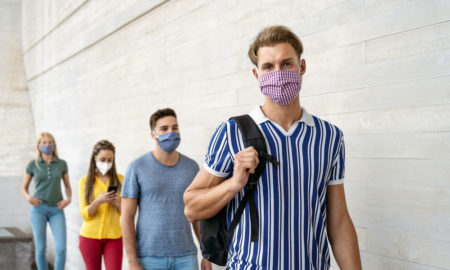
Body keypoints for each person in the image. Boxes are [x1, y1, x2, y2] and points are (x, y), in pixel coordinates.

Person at [183, 25, 362, 269]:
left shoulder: (330, 137)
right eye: (268, 67)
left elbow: (339, 221)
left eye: (287, 63)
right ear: (257, 75)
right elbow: (191, 207)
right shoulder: (231, 131)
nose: (278, 73)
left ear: (302, 67)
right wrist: (233, 184)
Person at [121, 108, 212, 270]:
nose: (171, 132)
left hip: (186, 256)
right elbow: (127, 217)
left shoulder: (191, 167)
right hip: (149, 257)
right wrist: (132, 261)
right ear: (152, 135)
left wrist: (206, 255)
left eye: (175, 127)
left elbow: (198, 216)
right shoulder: (136, 167)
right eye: (164, 129)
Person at [21, 132, 72, 270]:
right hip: (39, 210)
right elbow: (24, 188)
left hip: (57, 210)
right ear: (39, 146)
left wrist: (68, 200)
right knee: (41, 249)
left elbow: (67, 186)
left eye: (50, 142)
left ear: (54, 145)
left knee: (61, 249)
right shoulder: (33, 165)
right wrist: (29, 198)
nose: (47, 145)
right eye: (44, 142)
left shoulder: (61, 164)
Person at [78, 140, 124, 270]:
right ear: (94, 158)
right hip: (89, 237)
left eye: (110, 160)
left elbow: (125, 212)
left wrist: (116, 202)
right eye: (103, 159)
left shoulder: (121, 180)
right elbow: (85, 214)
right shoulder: (85, 182)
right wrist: (97, 201)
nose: (106, 163)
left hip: (114, 237)